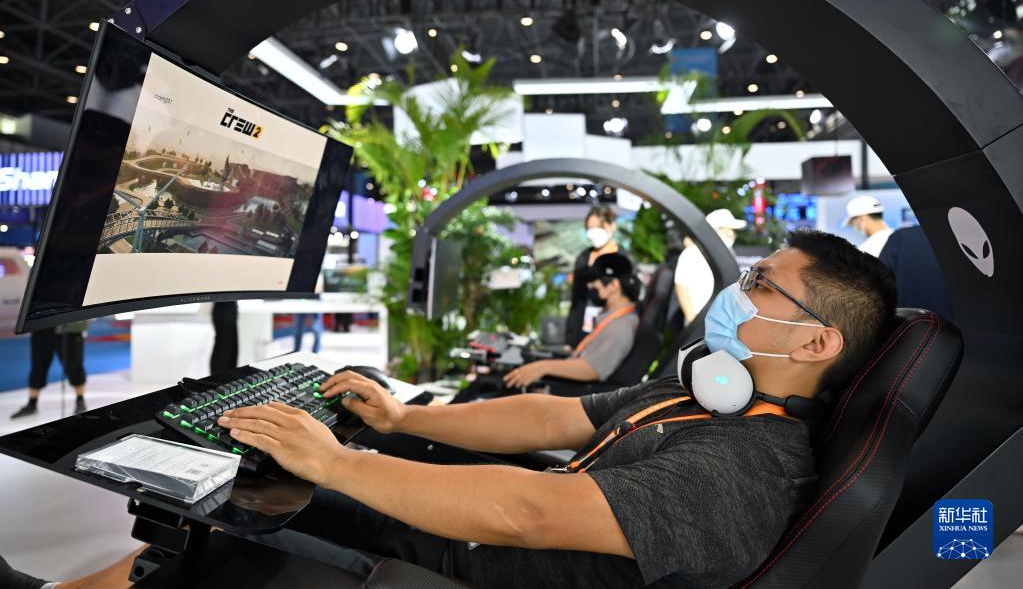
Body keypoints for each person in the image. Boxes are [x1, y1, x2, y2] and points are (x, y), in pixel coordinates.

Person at [200, 229, 895, 587]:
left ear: (815, 343)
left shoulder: (746, 471)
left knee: (216, 551)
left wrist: (337, 461)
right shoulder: (696, 393)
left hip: (464, 579)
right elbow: (547, 418)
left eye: (760, 284)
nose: (736, 291)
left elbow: (528, 513)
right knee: (236, 498)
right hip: (461, 547)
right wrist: (403, 418)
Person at [503, 253, 640, 388]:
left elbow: (592, 369)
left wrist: (542, 368)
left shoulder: (620, 326)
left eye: (594, 281)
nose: (590, 286)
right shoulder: (614, 318)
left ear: (613, 286)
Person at [564, 204, 627, 348]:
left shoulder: (623, 258)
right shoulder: (583, 258)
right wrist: (569, 339)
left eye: (598, 227)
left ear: (611, 225)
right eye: (589, 228)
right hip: (583, 331)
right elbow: (576, 301)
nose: (593, 233)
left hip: (612, 329)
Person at [674, 208, 746, 325]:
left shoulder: (729, 254)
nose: (732, 234)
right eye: (728, 230)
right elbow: (681, 288)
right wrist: (693, 322)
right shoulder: (692, 253)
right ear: (714, 231)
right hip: (701, 322)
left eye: (732, 231)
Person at [10, 321, 89, 419]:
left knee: (74, 366)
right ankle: (32, 403)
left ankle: (80, 399)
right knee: (38, 366)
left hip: (69, 328)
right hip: (42, 328)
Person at [878, 224, 954, 321]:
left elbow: (877, 286)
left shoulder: (900, 237)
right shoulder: (962, 242)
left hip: (904, 325)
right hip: (951, 326)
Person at [209, 301, 239, 375]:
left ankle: (228, 379)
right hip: (224, 313)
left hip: (231, 312)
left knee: (232, 352)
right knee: (223, 350)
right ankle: (217, 378)